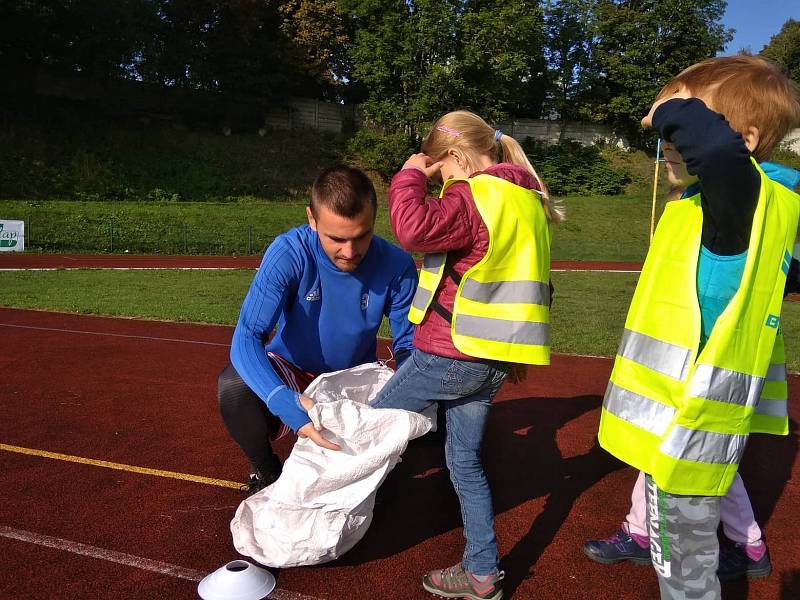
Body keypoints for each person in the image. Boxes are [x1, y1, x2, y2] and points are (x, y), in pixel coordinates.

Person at [596, 55, 800, 599]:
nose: (666, 137)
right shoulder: (725, 208)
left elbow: (712, 148)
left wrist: (668, 106)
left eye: (684, 122)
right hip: (684, 419)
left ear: (747, 141)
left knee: (684, 573)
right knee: (685, 559)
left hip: (689, 423)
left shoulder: (737, 202)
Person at [369, 110, 563, 600]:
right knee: (465, 463)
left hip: (451, 352)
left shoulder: (474, 194)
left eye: (443, 169)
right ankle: (481, 574)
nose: (441, 181)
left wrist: (412, 173)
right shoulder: (524, 200)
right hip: (491, 359)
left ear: (454, 156)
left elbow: (412, 230)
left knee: (367, 425)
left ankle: (322, 518)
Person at [217, 165, 418, 494]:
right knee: (233, 387)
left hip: (355, 380)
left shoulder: (397, 264)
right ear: (312, 219)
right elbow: (246, 336)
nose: (350, 252)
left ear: (374, 218)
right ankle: (266, 471)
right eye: (336, 239)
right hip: (294, 372)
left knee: (435, 399)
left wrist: (397, 400)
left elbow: (409, 345)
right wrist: (284, 401)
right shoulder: (290, 253)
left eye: (361, 236)